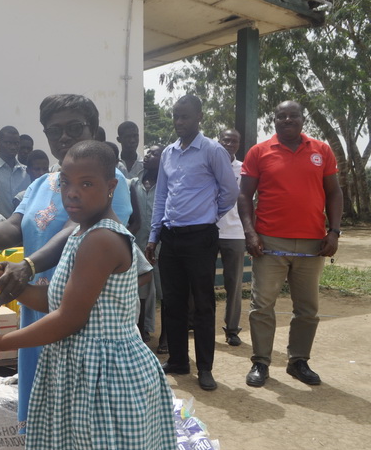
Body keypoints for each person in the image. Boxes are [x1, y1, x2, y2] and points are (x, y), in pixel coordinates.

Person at [0, 141, 179, 450]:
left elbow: (69, 318)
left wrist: (0, 342)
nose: (72, 192)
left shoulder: (101, 239)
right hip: (83, 370)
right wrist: (11, 283)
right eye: (66, 182)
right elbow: (56, 299)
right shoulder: (82, 233)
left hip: (104, 377)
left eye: (87, 183)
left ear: (111, 187)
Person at [0, 94, 132, 429]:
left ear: (93, 129)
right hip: (37, 308)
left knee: (80, 424)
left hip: (84, 325)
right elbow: (16, 226)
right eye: (54, 130)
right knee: (45, 422)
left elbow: (76, 228)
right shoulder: (42, 183)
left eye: (74, 127)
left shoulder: (107, 180)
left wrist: (28, 266)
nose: (64, 137)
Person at [239, 100, 342, 387]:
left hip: (313, 243)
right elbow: (244, 195)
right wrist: (250, 233)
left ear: (302, 119)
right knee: (262, 305)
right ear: (274, 120)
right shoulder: (259, 152)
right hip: (269, 241)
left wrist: (334, 231)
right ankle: (261, 362)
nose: (287, 119)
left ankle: (298, 361)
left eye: (293, 115)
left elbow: (334, 193)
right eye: (281, 116)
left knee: (307, 308)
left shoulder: (322, 151)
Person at [145, 95, 239, 391]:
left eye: (184, 116)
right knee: (172, 302)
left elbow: (230, 192)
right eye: (175, 116)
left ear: (199, 116)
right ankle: (178, 360)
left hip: (200, 237)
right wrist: (154, 236)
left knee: (202, 304)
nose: (179, 122)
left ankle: (205, 368)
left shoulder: (212, 150)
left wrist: (209, 214)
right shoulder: (169, 153)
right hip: (171, 237)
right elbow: (162, 196)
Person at [216, 128, 246, 347]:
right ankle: (195, 322)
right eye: (226, 140)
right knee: (200, 281)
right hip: (209, 230)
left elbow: (248, 201)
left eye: (234, 141)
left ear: (238, 145)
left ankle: (232, 329)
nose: (229, 144)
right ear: (219, 141)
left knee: (234, 284)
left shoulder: (243, 169)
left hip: (235, 232)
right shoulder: (209, 165)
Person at [131, 145, 163, 345]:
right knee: (141, 291)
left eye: (154, 154)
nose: (148, 156)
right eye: (147, 152)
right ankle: (142, 332)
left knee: (163, 291)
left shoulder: (167, 184)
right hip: (138, 244)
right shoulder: (134, 183)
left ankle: (165, 337)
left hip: (160, 246)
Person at [0, 126, 31, 218]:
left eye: (16, 143)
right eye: (8, 143)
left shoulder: (27, 173)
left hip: (24, 224)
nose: (13, 147)